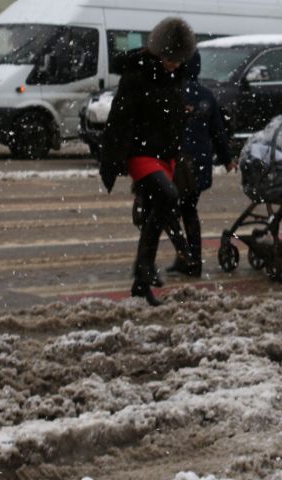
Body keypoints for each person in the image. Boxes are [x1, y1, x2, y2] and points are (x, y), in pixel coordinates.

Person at [99, 17, 196, 306]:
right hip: (141, 154)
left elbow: (169, 113)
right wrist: (113, 158)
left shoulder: (175, 77)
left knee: (161, 210)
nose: (174, 64)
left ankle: (142, 280)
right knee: (168, 197)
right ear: (158, 52)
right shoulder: (137, 75)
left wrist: (183, 116)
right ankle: (144, 269)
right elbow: (120, 118)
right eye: (169, 58)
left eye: (178, 60)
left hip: (166, 155)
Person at [169, 49, 238, 278]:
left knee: (165, 213)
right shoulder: (206, 96)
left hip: (176, 165)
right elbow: (218, 133)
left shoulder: (172, 92)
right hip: (198, 165)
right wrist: (227, 159)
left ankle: (186, 256)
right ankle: (193, 260)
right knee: (188, 210)